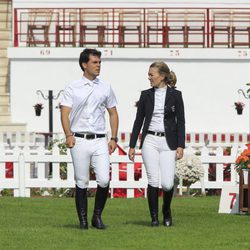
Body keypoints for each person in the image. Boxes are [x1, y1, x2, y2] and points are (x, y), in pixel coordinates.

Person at [60, 48, 119, 230]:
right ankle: (83, 221)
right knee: (82, 181)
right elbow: (64, 114)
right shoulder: (72, 87)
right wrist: (68, 134)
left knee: (103, 180)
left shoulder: (106, 87)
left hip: (100, 139)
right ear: (84, 64)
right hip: (79, 139)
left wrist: (114, 138)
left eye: (100, 62)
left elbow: (113, 113)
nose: (98, 65)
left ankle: (97, 217)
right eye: (95, 62)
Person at [128, 61, 185, 227]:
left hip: (169, 142)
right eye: (149, 74)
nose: (149, 77)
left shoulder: (176, 95)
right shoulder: (146, 95)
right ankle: (154, 218)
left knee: (167, 183)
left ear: (162, 76)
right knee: (153, 179)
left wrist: (180, 145)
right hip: (150, 140)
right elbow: (138, 120)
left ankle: (166, 210)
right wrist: (132, 145)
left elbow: (180, 121)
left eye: (151, 74)